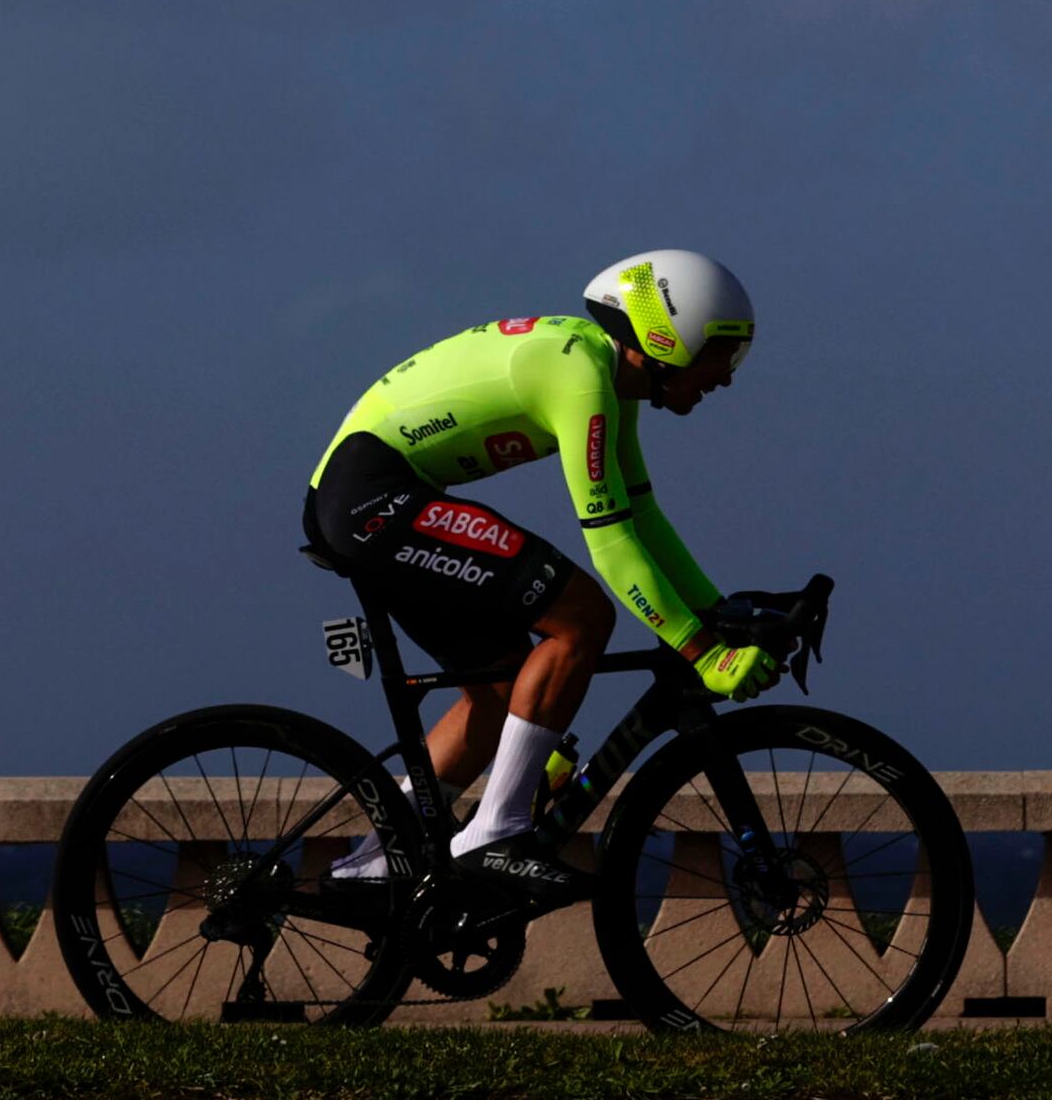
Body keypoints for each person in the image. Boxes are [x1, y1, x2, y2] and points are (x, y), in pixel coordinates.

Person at [303, 248, 770, 903]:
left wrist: (714, 610)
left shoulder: (603, 373)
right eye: (722, 353)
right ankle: (494, 832)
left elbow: (642, 516)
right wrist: (700, 649)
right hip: (372, 498)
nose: (726, 376)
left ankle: (379, 862)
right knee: (581, 616)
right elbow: (610, 543)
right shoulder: (580, 376)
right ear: (670, 337)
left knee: (500, 687)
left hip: (369, 497)